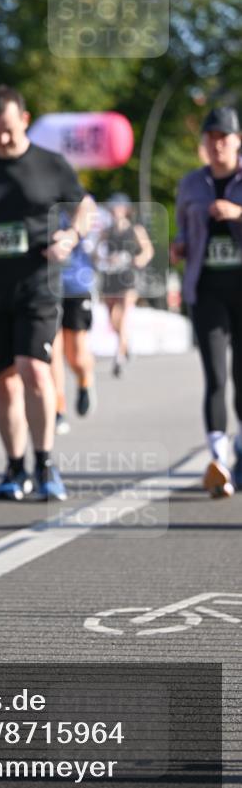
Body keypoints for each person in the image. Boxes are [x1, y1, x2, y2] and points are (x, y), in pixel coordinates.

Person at [0, 85, 92, 501]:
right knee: (4, 382)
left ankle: (46, 463)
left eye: (8, 130)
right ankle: (15, 468)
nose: (1, 139)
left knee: (34, 369)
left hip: (39, 283)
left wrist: (71, 236)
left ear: (25, 120)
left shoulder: (51, 164)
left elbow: (83, 205)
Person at [172, 106, 242, 498]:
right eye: (210, 139)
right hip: (207, 290)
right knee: (215, 375)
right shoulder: (191, 183)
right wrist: (180, 245)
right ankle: (218, 460)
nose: (217, 146)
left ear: (237, 141)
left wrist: (237, 213)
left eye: (223, 138)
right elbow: (183, 229)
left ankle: (240, 447)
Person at [95, 193, 154, 377]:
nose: (115, 211)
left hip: (128, 277)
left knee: (122, 315)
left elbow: (147, 251)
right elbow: (96, 252)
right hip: (111, 276)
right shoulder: (107, 231)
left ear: (126, 210)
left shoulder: (135, 230)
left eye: (118, 207)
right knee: (112, 319)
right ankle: (126, 345)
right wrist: (105, 259)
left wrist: (138, 260)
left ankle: (119, 357)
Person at [51, 209, 98, 434]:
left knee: (76, 354)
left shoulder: (77, 198)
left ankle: (85, 380)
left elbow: (89, 221)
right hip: (46, 284)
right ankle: (58, 408)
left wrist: (71, 233)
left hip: (76, 284)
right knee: (53, 350)